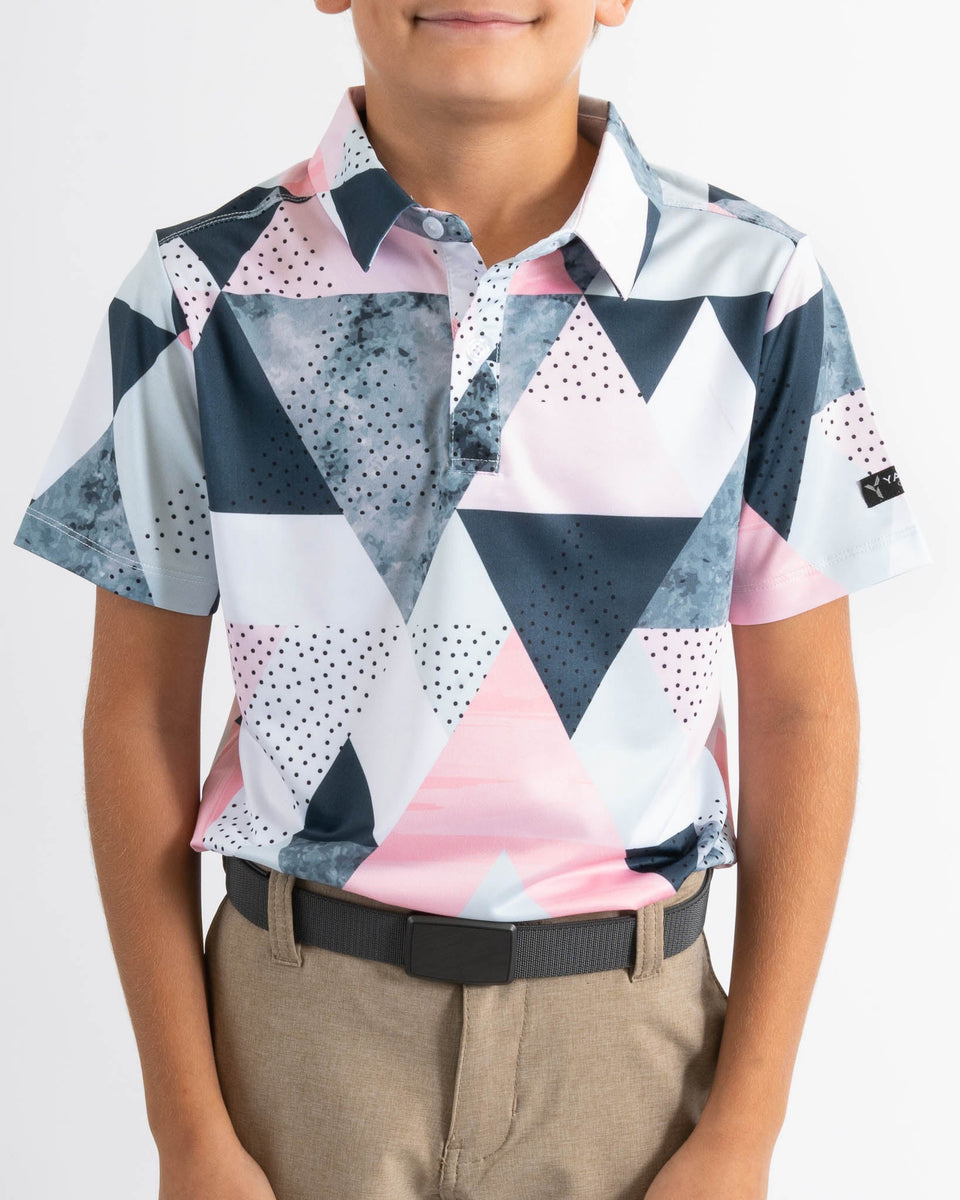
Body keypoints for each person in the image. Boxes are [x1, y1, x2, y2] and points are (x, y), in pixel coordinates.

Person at [11, 2, 934, 1199]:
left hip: (633, 1051)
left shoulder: (762, 289)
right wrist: (185, 1127)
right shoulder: (197, 291)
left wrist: (745, 1129)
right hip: (297, 1041)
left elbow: (806, 712)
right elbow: (134, 711)